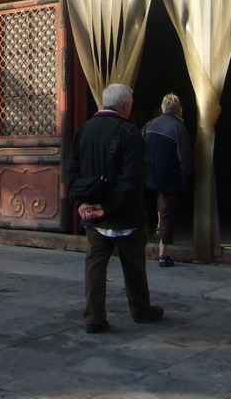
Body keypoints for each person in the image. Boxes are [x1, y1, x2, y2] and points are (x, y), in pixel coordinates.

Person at [65, 83, 163, 334]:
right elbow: (130, 180)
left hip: (92, 215)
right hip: (124, 213)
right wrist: (107, 208)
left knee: (95, 265)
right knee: (134, 264)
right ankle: (141, 311)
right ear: (125, 105)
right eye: (131, 102)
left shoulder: (84, 130)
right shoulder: (130, 132)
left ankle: (94, 317)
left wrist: (81, 204)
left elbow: (71, 172)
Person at [143, 92, 192, 268]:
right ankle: (163, 254)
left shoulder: (150, 125)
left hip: (149, 175)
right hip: (169, 176)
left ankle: (155, 231)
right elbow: (184, 158)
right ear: (179, 109)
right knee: (167, 212)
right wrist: (185, 178)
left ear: (163, 107)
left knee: (159, 207)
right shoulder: (179, 128)